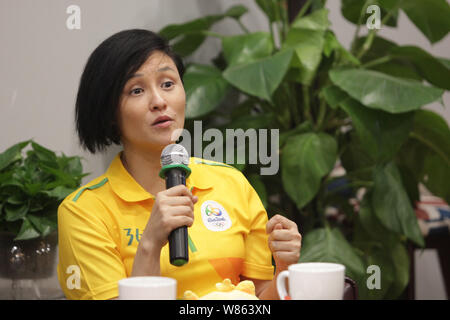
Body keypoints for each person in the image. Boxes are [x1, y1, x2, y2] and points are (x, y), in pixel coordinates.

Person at [57, 29, 302, 300]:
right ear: (109, 113)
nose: (159, 101)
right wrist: (150, 243)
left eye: (168, 84)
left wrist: (284, 268)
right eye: (136, 90)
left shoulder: (232, 185)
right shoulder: (83, 212)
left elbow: (258, 298)